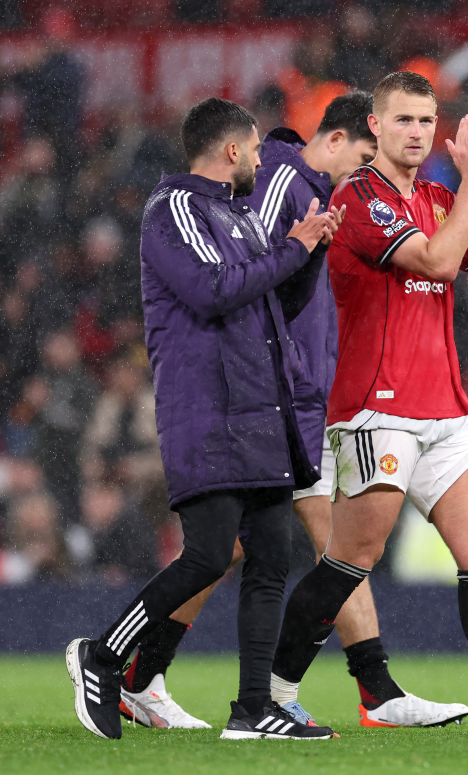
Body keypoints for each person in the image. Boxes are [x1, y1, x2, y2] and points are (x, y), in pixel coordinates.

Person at [121, 91, 468, 730]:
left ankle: (151, 676)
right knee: (318, 543)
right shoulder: (282, 182)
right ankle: (360, 689)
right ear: (337, 141)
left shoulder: (308, 185)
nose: (367, 177)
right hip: (279, 397)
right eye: (363, 158)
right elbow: (240, 274)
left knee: (243, 548)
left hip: (298, 392)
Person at [268, 71, 468, 739]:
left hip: (446, 407)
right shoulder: (361, 200)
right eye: (404, 120)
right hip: (376, 405)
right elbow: (438, 263)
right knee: (352, 556)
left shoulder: (440, 195)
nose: (417, 132)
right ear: (376, 129)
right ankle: (275, 692)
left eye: (426, 121)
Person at [66, 97, 343, 742]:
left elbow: (271, 300)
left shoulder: (240, 217)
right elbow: (212, 290)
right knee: (208, 555)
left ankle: (253, 710)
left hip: (258, 410)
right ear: (230, 151)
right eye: (252, 151)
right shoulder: (176, 209)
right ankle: (102, 655)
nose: (257, 162)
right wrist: (291, 249)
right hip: (209, 409)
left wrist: (310, 250)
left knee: (275, 554)